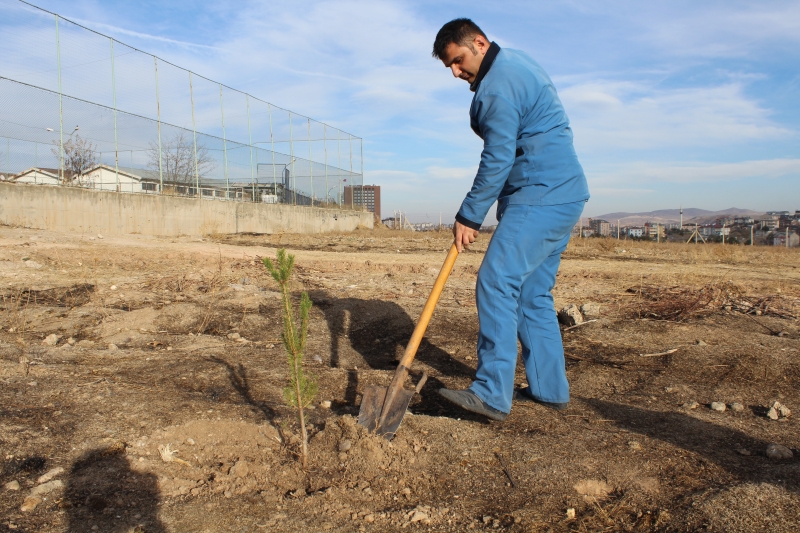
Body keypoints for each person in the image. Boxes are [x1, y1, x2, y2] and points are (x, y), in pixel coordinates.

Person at [433, 19, 589, 421]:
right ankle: (550, 389)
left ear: (480, 44)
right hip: (566, 193)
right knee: (532, 294)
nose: (455, 72)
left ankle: (490, 393)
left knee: (496, 280)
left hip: (539, 196)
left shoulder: (498, 85)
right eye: (448, 66)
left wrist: (470, 214)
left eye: (458, 60)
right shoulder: (520, 63)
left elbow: (498, 157)